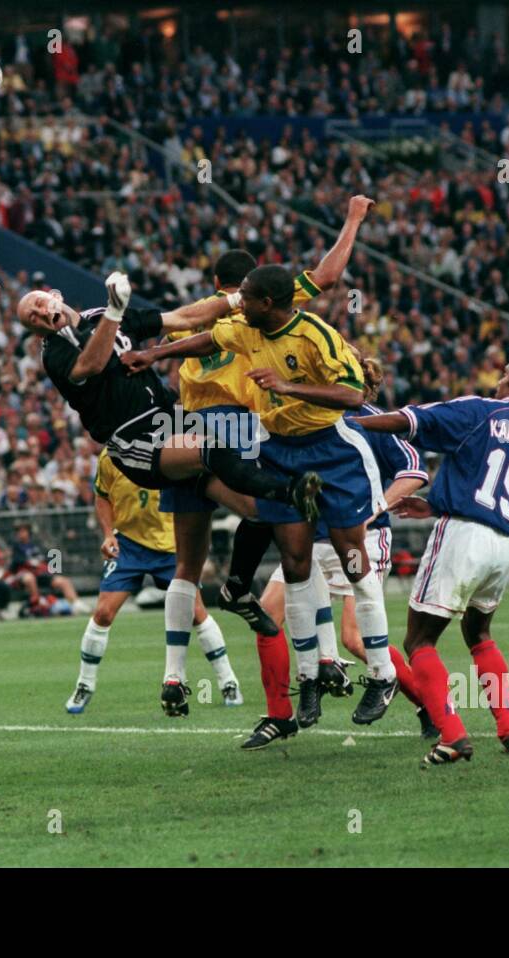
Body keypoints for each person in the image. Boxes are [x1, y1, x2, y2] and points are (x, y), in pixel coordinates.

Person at [24, 270, 319, 714]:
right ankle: (293, 488)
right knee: (214, 451)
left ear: (54, 296)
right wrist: (118, 313)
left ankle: (238, 588)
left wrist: (235, 300)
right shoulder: (57, 352)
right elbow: (91, 365)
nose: (37, 316)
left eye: (37, 305)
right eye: (30, 318)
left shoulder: (105, 314)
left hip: (169, 421)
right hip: (132, 442)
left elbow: (180, 316)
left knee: (256, 511)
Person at [124, 265, 397, 725]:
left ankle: (384, 673)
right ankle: (310, 677)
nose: (237, 302)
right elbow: (210, 340)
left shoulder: (315, 335)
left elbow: (352, 394)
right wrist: (155, 356)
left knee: (353, 558)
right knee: (294, 562)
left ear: (268, 303)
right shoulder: (246, 326)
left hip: (332, 451)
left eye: (245, 297)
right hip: (278, 452)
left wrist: (287, 386)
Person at [358, 348, 509, 766]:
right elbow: (494, 489)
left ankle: (452, 736)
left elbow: (412, 421)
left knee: (418, 640)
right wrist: (434, 504)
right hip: (505, 546)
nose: (499, 379)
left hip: (464, 537)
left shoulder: (485, 411)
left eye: (506, 373)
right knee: (479, 633)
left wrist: (350, 423)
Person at [248, 355, 432, 749]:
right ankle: (281, 712)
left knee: (355, 636)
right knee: (266, 614)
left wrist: (376, 506)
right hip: (310, 540)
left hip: (361, 537)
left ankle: (430, 704)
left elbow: (415, 470)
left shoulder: (370, 421)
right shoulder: (303, 415)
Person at [65, 449, 240, 715]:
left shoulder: (171, 451)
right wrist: (107, 534)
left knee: (196, 613)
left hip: (171, 546)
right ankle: (84, 685)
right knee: (102, 612)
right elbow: (102, 496)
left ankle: (228, 681)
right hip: (128, 546)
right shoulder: (110, 454)